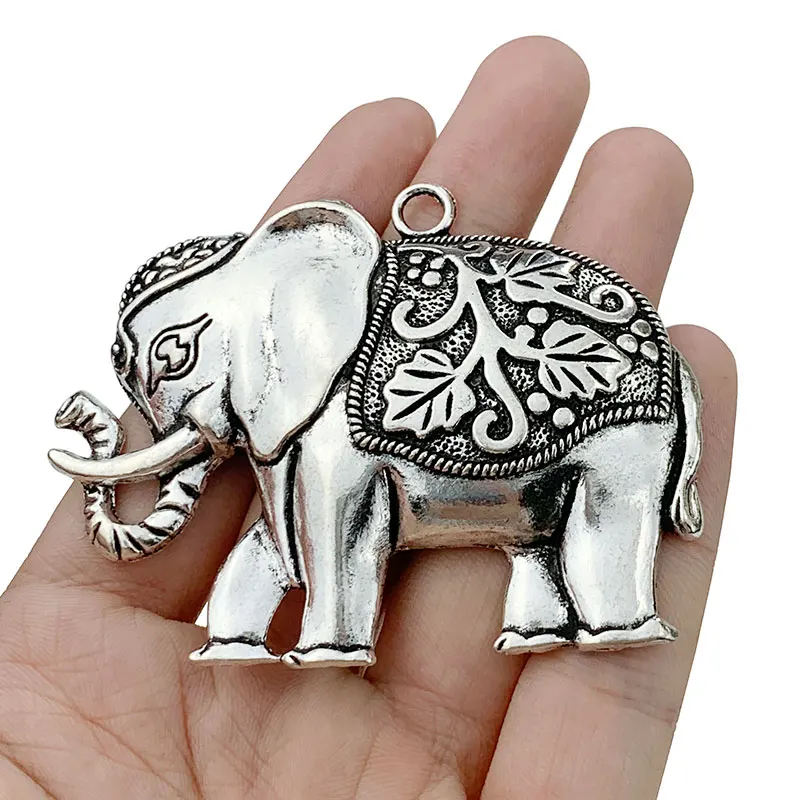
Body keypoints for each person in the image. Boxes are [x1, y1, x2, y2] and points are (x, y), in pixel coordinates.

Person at [0, 36, 736, 799]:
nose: (169, 406)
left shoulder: (330, 413)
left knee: (590, 556)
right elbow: (286, 536)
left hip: (606, 397)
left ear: (286, 319)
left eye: (180, 357)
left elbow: (335, 527)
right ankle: (544, 612)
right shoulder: (292, 427)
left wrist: (330, 636)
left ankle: (591, 612)